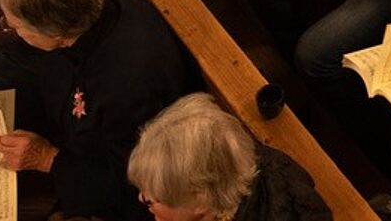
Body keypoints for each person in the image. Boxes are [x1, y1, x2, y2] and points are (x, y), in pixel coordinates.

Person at [0, 0, 191, 221]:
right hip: (64, 135)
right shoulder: (85, 2)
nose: (13, 31)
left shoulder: (127, 87)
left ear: (55, 33)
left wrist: (47, 159)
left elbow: (129, 180)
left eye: (17, 27)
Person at [127, 93, 327, 221]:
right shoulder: (231, 161)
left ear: (199, 202)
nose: (141, 197)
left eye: (152, 201)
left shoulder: (287, 199)